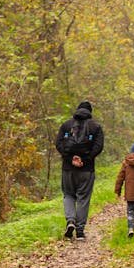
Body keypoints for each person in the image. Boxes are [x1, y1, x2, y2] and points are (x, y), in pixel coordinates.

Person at [55, 100, 104, 239]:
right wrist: (85, 159)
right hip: (86, 169)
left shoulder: (66, 125)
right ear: (90, 113)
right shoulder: (96, 127)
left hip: (68, 168)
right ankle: (80, 231)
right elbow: (98, 147)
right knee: (83, 198)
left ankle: (70, 221)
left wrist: (70, 159)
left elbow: (58, 144)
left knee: (68, 195)